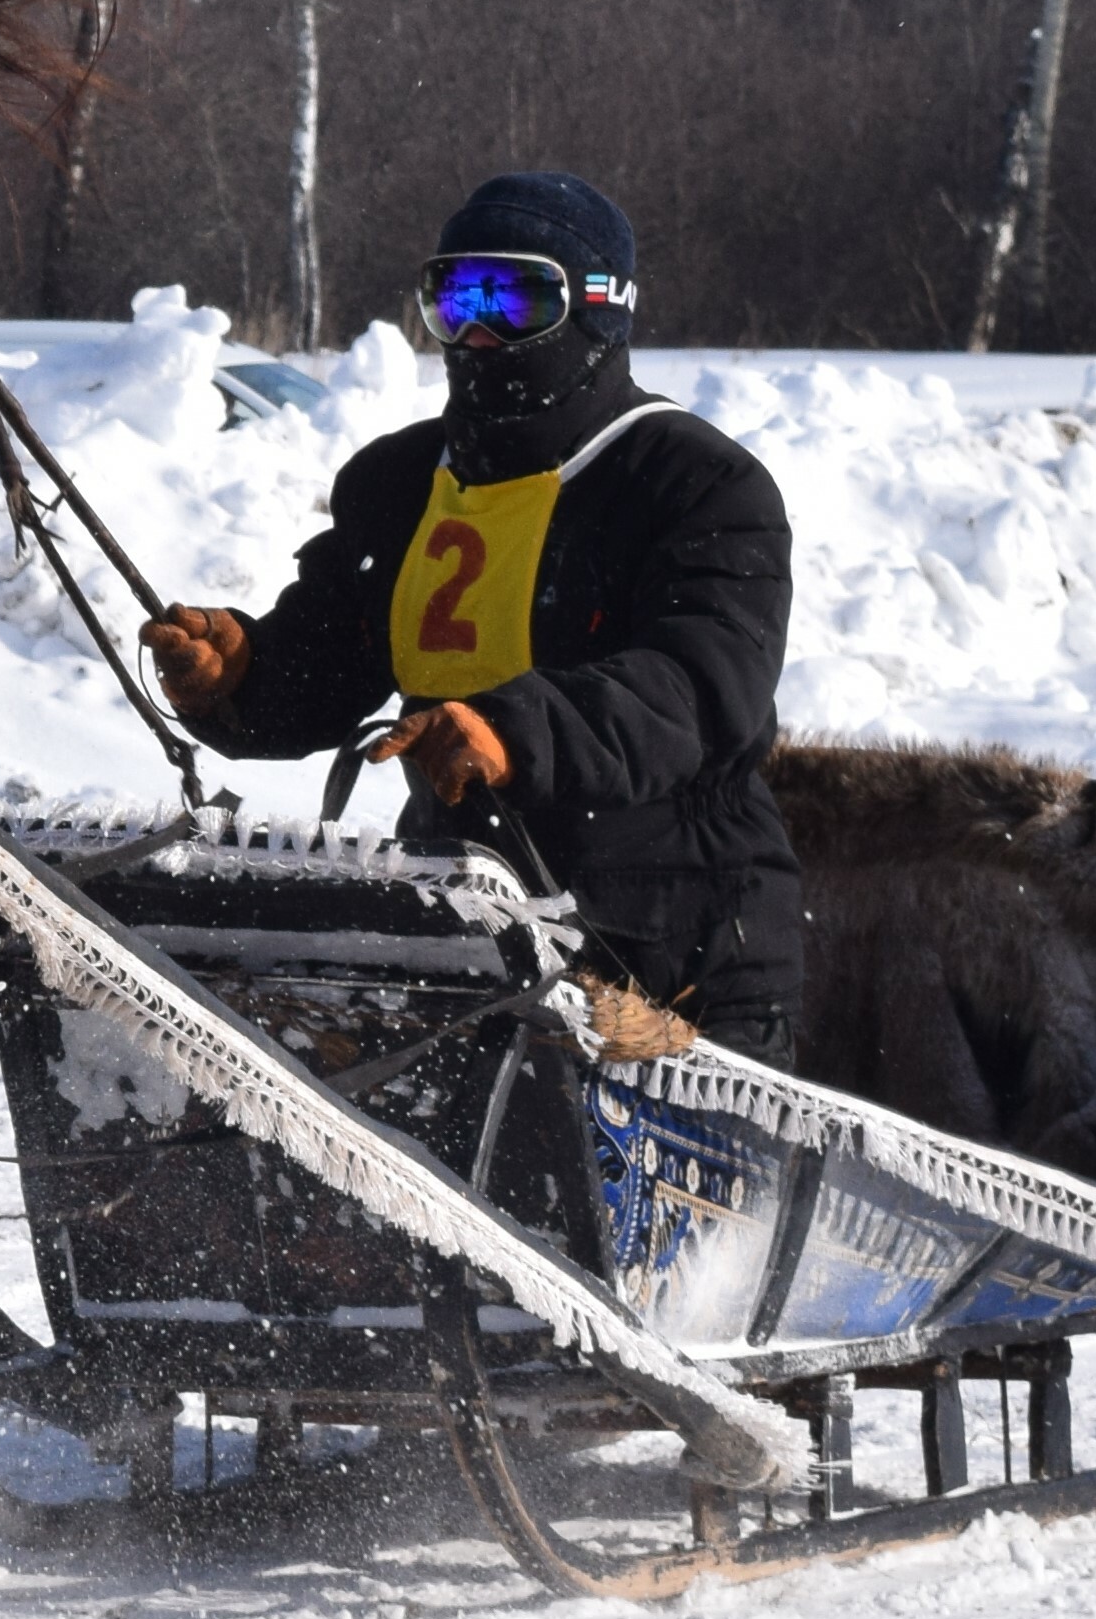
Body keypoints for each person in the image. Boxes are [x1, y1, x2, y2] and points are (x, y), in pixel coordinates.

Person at [137, 172, 806, 1059]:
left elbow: (695, 690)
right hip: (467, 930)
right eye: (453, 302)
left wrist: (514, 731)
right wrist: (241, 679)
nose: (479, 334)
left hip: (680, 958)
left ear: (600, 308)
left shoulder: (698, 485)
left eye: (515, 300)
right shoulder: (399, 482)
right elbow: (330, 665)